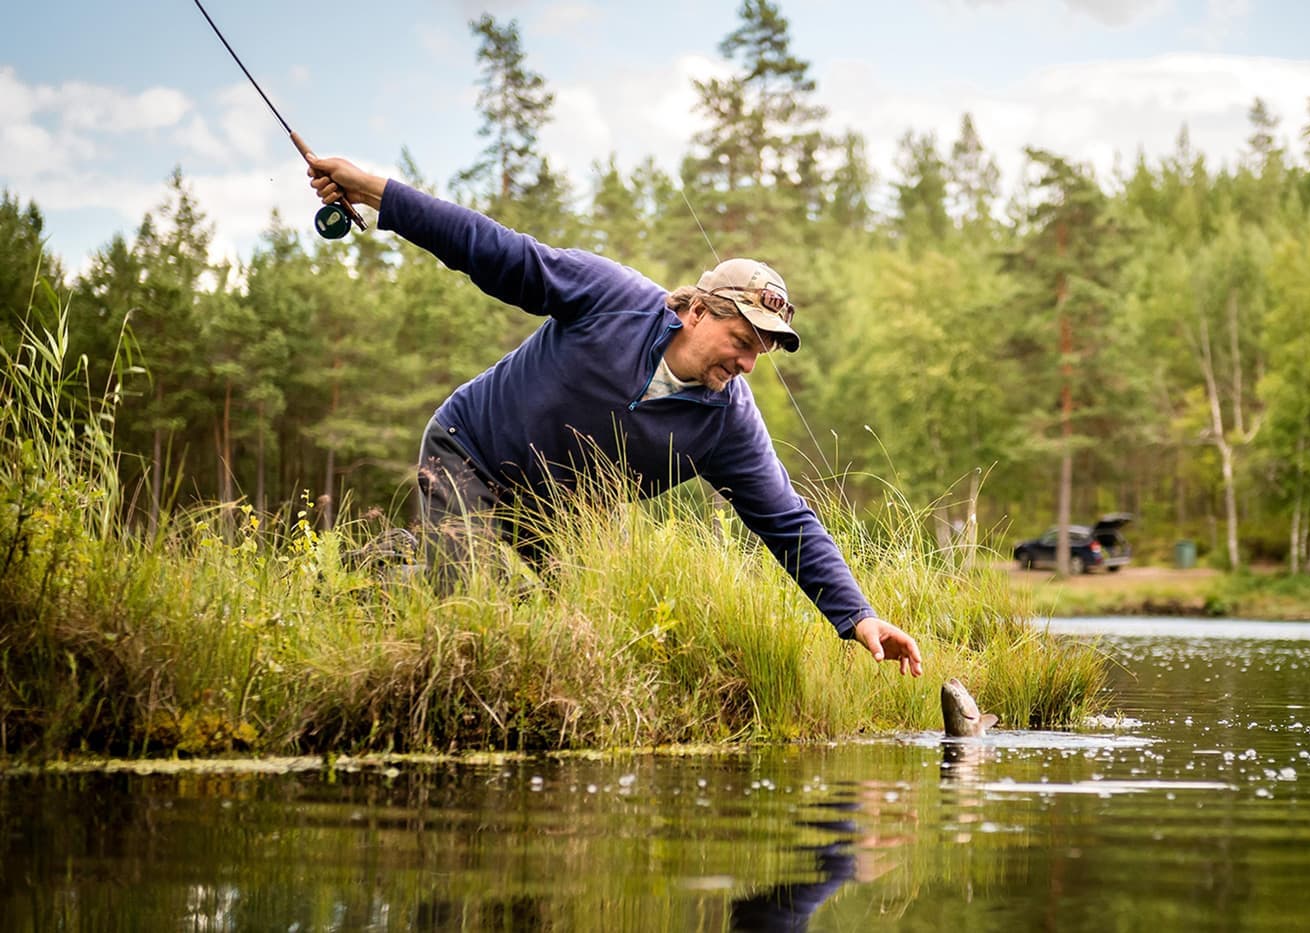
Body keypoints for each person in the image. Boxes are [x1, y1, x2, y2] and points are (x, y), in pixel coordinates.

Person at [307, 157, 923, 676]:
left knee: (550, 640)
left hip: (556, 517)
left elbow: (786, 521)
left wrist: (859, 617)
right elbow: (491, 249)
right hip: (469, 451)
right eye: (742, 339)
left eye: (760, 351)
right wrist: (374, 193)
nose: (748, 362)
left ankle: (396, 563)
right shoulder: (611, 298)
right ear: (701, 312)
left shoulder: (727, 422)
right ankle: (374, 573)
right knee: (482, 605)